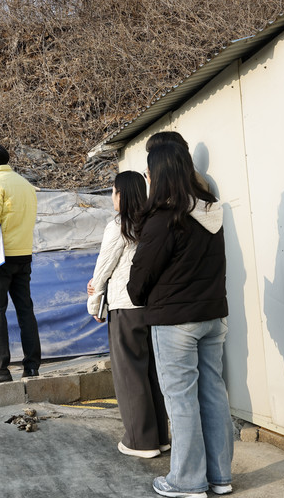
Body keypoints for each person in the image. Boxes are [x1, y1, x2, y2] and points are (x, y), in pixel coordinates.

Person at [127, 141, 233, 498]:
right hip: (212, 316)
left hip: (176, 322)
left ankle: (187, 481)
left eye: (149, 173)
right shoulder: (211, 210)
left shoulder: (164, 218)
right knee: (214, 394)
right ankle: (220, 477)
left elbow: (141, 276)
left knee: (181, 400)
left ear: (159, 175)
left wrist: (138, 295)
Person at [86, 171, 169, 458]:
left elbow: (103, 268)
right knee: (151, 373)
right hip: (151, 307)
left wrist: (94, 303)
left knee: (129, 375)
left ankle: (140, 442)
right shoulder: (152, 222)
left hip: (125, 308)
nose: (112, 197)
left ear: (122, 194)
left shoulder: (119, 226)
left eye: (113, 191)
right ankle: (160, 437)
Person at [0, 143, 41, 386]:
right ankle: (31, 367)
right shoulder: (25, 185)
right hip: (23, 255)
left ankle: (0, 370)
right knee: (25, 311)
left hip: (0, 259)